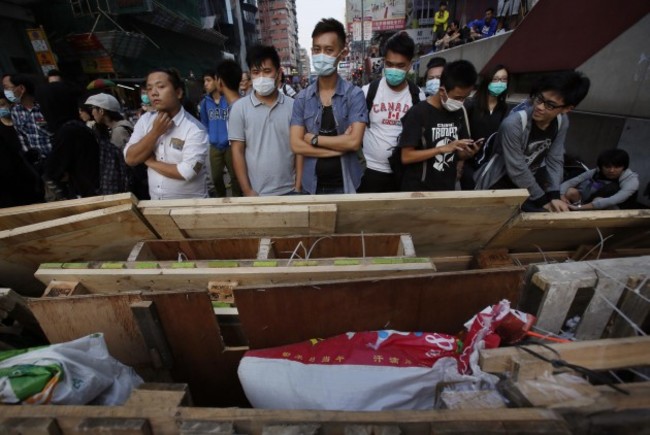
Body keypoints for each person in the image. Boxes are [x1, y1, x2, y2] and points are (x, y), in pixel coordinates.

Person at [474, 71, 591, 212]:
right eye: (539, 99)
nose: (540, 107)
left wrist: (554, 193)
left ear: (567, 109)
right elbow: (517, 168)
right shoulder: (513, 124)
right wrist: (542, 199)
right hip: (498, 185)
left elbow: (555, 158)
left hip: (529, 186)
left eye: (550, 105)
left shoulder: (561, 121)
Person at [290, 18, 368, 195]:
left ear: (342, 53)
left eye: (329, 50)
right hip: (312, 185)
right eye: (317, 50)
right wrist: (337, 149)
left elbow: (354, 142)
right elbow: (296, 145)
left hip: (346, 183)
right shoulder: (302, 98)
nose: (321, 56)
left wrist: (312, 139)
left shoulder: (354, 95)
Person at [124, 68, 210, 200]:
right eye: (149, 88)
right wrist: (155, 132)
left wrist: (150, 161)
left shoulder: (194, 129)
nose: (153, 93)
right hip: (157, 205)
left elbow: (188, 171)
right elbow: (130, 158)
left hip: (190, 209)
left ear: (179, 92)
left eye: (160, 86)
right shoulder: (145, 121)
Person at [398, 60, 479, 192]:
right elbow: (406, 156)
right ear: (442, 91)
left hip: (447, 188)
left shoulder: (460, 112)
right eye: (457, 97)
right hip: (418, 190)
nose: (461, 102)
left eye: (465, 98)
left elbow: (458, 153)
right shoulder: (418, 113)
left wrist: (468, 153)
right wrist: (441, 149)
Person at [359, 32, 425, 193]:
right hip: (370, 171)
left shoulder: (418, 96)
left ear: (410, 65)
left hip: (402, 172)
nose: (393, 70)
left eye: (400, 66)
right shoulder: (368, 92)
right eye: (389, 64)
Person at [229, 45, 299, 196]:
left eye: (267, 71)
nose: (261, 77)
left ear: (278, 74)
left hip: (290, 191)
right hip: (257, 194)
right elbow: (237, 151)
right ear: (250, 75)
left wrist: (298, 186)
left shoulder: (293, 106)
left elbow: (299, 150)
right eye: (256, 72)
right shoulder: (239, 109)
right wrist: (247, 190)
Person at [37, 81, 101, 199]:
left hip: (89, 195)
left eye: (43, 105)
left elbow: (52, 170)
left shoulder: (68, 131)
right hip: (92, 191)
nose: (42, 111)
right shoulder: (77, 126)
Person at [460, 64, 510, 190]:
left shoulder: (504, 108)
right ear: (487, 81)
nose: (500, 83)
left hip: (491, 164)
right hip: (469, 161)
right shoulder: (471, 105)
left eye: (504, 79)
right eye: (496, 79)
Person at [0, 95, 44, 206]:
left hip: (35, 167)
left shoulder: (20, 121)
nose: (1, 109)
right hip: (15, 179)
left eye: (2, 105)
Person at [561, 149, 639, 210]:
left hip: (616, 209)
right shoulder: (596, 171)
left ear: (624, 167)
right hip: (588, 203)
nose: (612, 170)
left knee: (598, 199)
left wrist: (580, 208)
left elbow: (613, 200)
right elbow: (571, 182)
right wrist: (561, 195)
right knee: (571, 191)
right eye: (607, 167)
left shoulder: (631, 180)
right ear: (601, 166)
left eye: (617, 167)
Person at [3, 74, 53, 169]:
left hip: (57, 159)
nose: (6, 92)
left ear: (21, 88)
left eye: (7, 88)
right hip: (40, 164)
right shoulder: (15, 111)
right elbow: (22, 137)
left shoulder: (44, 106)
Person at [200, 69, 236, 197]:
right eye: (204, 81)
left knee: (235, 176)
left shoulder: (228, 99)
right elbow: (204, 123)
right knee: (215, 178)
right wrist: (210, 137)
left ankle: (237, 201)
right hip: (214, 146)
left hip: (231, 146)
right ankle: (222, 200)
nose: (206, 84)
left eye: (208, 80)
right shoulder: (205, 103)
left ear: (217, 80)